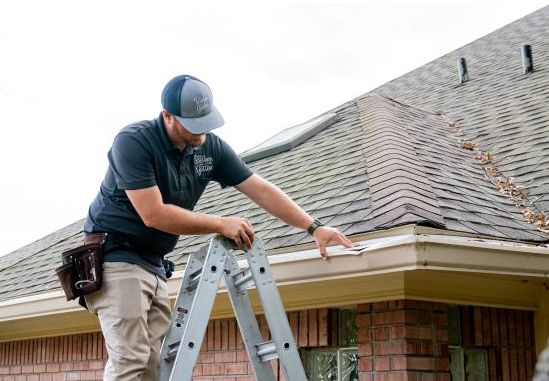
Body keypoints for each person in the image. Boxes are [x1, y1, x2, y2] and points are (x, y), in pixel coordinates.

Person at [83, 74, 355, 381]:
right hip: (117, 257)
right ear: (167, 116)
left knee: (152, 368)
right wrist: (221, 223)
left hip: (154, 264)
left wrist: (314, 227)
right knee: (130, 359)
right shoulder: (134, 141)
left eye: (206, 121)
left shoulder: (210, 148)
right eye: (193, 123)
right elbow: (153, 214)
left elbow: (261, 189)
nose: (203, 130)